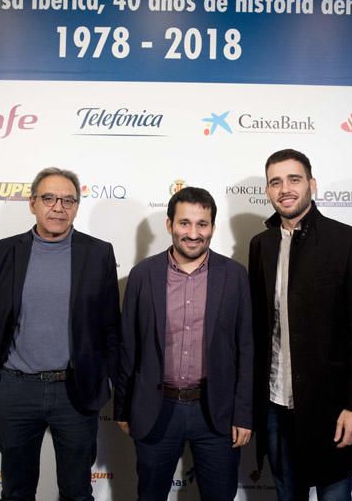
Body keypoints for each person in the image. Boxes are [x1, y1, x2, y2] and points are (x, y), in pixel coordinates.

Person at [0, 167, 120, 501]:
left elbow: (111, 328)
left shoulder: (99, 253)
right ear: (32, 203)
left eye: (68, 200)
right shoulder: (1, 252)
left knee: (77, 492)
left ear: (77, 206)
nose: (58, 207)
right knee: (16, 491)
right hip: (14, 390)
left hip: (75, 393)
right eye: (49, 198)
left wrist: (103, 382)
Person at [248, 149, 352, 500]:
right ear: (268, 191)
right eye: (276, 182)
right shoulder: (261, 245)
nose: (285, 188)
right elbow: (261, 332)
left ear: (312, 185)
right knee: (287, 494)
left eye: (294, 179)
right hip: (275, 404)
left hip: (331, 407)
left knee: (335, 492)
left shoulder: (349, 241)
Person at [114, 187, 253, 501]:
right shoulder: (142, 275)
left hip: (216, 411)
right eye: (185, 223)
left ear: (213, 228)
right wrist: (122, 408)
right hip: (157, 408)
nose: (193, 233)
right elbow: (128, 347)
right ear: (169, 225)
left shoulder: (234, 276)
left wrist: (243, 414)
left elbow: (246, 347)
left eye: (202, 224)